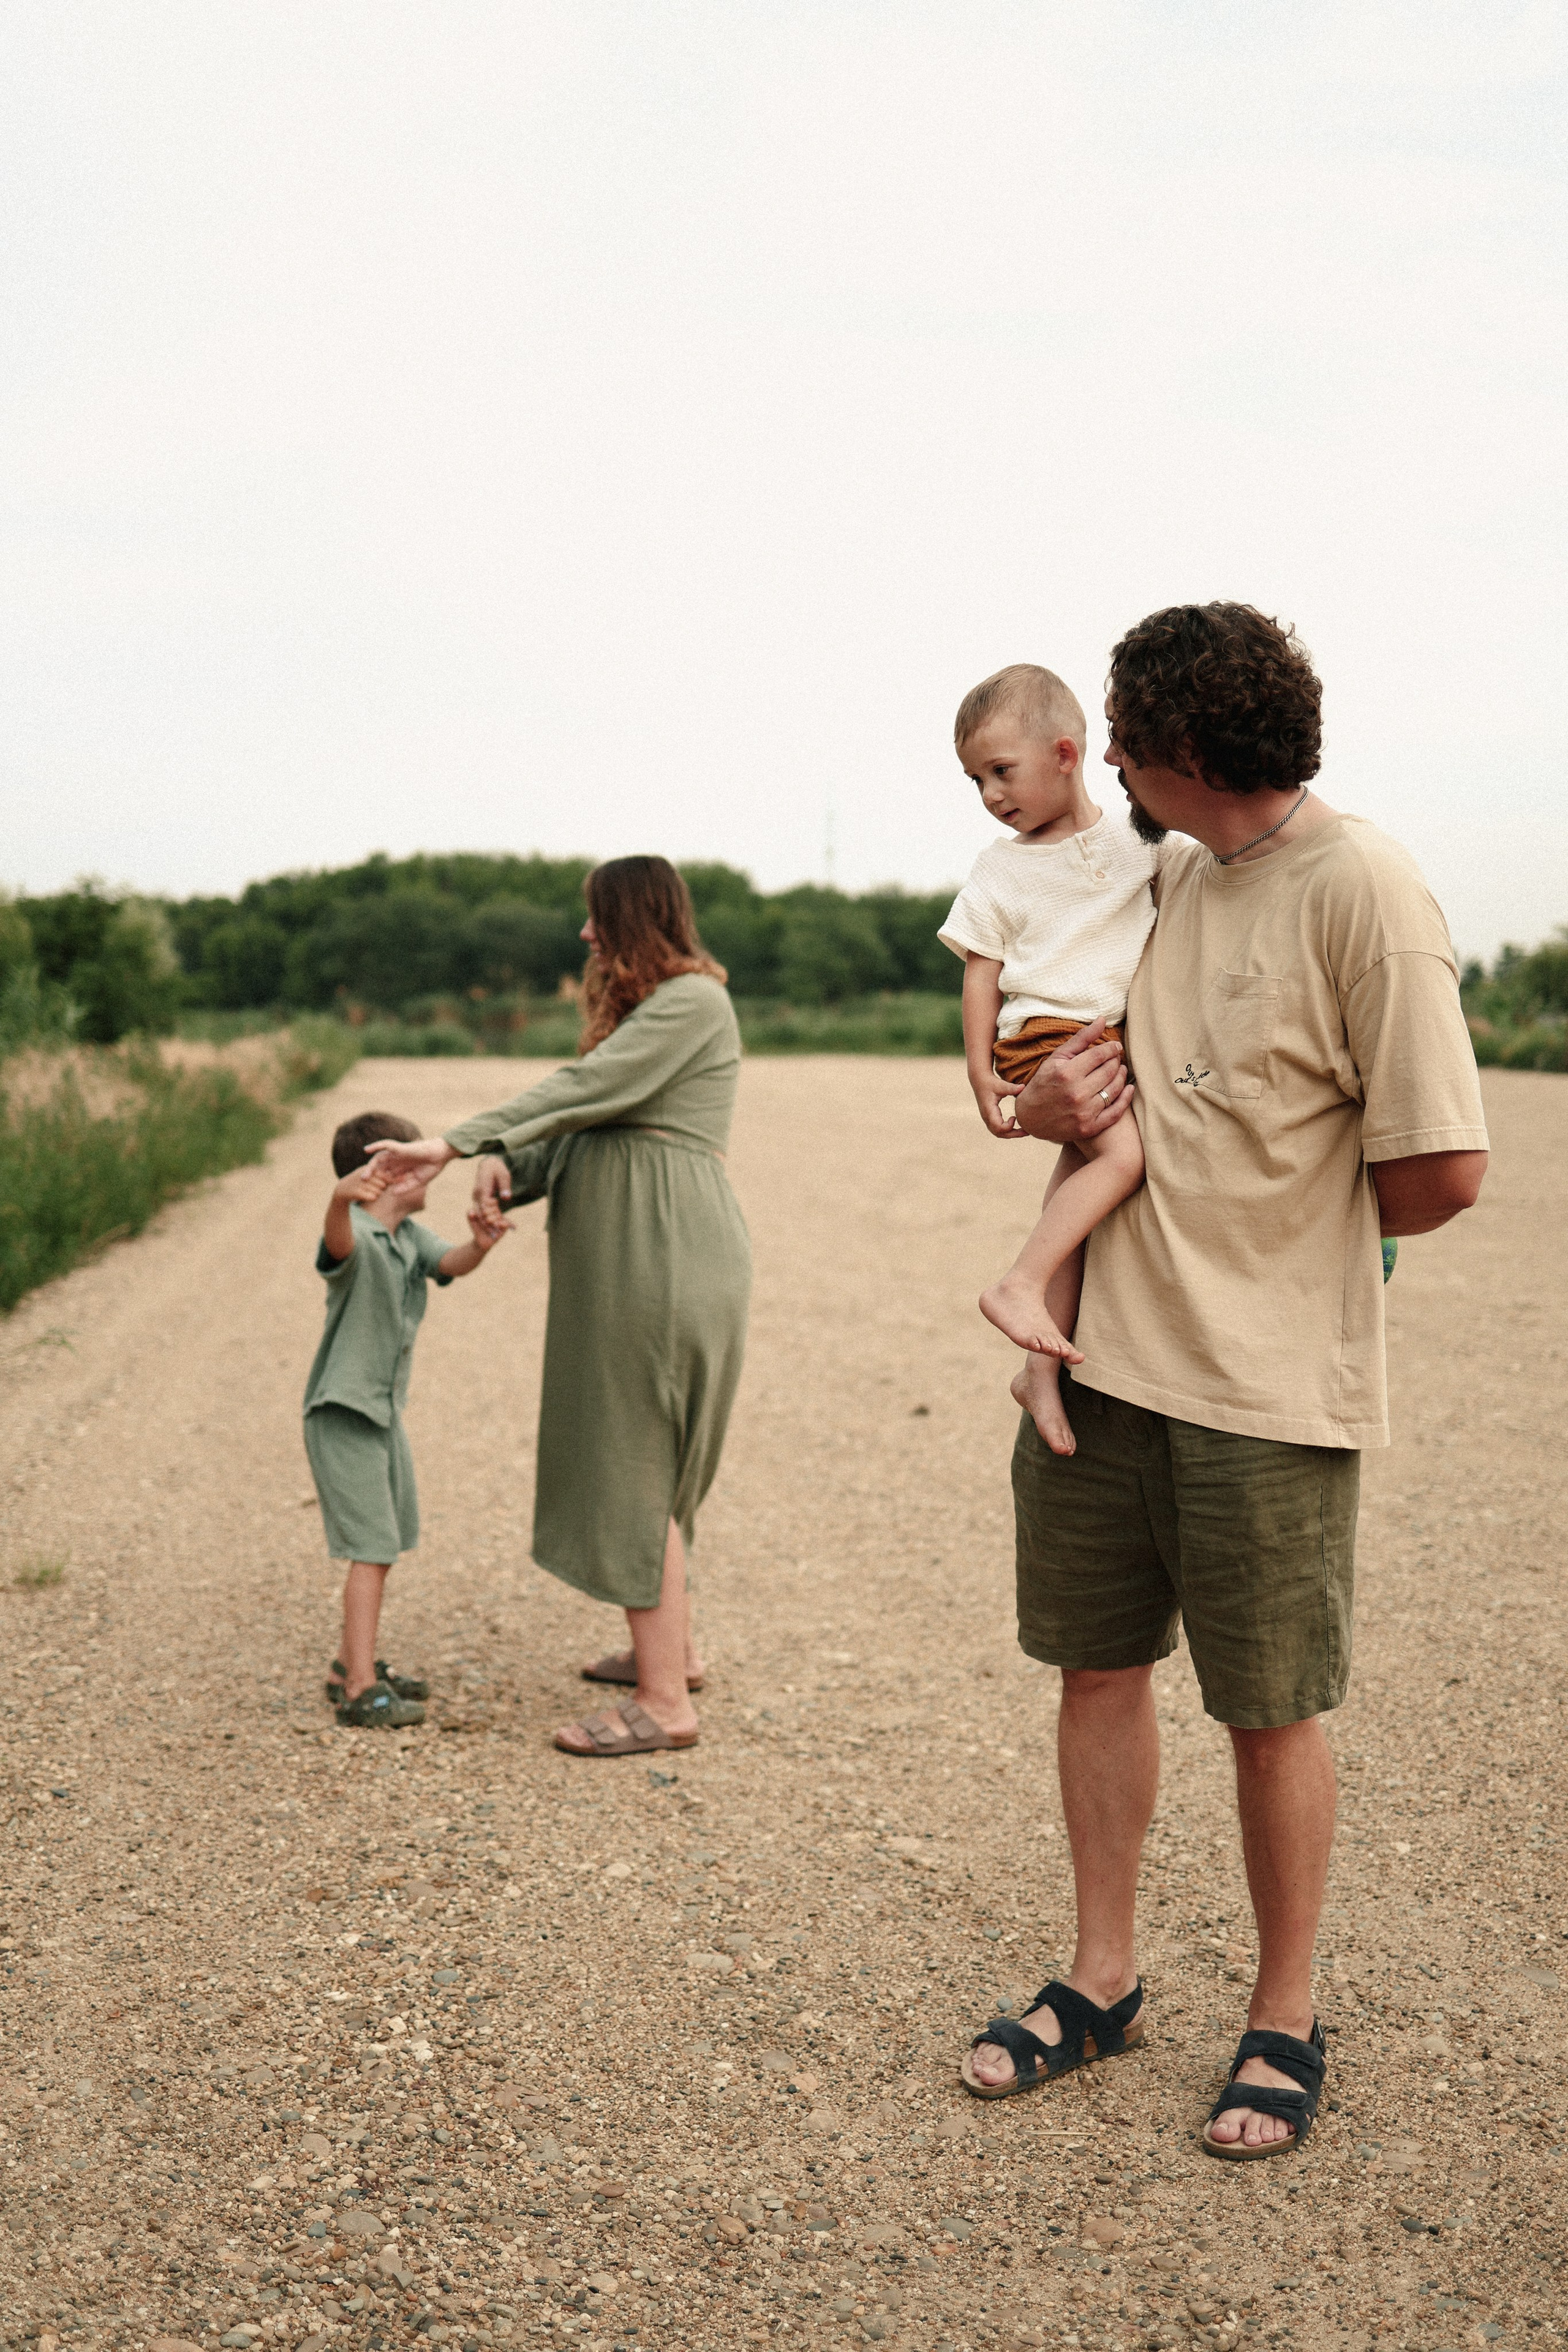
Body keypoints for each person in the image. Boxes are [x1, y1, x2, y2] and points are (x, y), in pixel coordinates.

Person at [959, 603, 1488, 2160]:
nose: (1104, 759)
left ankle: (1281, 2012)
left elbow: (1442, 1167)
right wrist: (1026, 1098)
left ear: (1184, 750)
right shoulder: (1160, 878)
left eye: (1121, 736)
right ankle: (1101, 1977)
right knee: (1094, 1667)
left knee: (1267, 1710)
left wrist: (1277, 1242)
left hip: (1262, 1390)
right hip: (1095, 1366)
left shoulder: (1364, 894)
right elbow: (1047, 1070)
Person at [364, 855, 751, 1758]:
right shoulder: (649, 1021)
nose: (584, 936)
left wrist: (459, 1143)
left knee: (635, 1456)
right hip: (640, 1255)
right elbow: (581, 1128)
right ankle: (672, 1654)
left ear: (637, 919)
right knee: (643, 1449)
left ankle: (664, 1704)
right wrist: (508, 1167)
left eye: (596, 918)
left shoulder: (696, 1005)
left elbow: (580, 1096)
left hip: (660, 1254)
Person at [940, 663, 1162, 1455]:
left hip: (1102, 1038)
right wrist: (980, 1070)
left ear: (1067, 754)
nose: (991, 796)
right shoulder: (1002, 866)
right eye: (977, 781)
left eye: (1002, 772)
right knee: (1123, 1160)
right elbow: (980, 969)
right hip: (1049, 1038)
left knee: (1079, 1182)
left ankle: (1039, 1366)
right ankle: (1019, 1283)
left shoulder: (1138, 840)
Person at [305, 1111, 510, 1729]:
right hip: (342, 1413)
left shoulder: (408, 1235)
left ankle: (350, 1665)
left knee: (387, 1542)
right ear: (384, 1172)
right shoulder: (359, 1235)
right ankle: (360, 1690)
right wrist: (341, 1198)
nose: (430, 1169)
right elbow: (336, 1242)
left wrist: (480, 1245)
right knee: (370, 1549)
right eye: (412, 1160)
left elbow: (449, 1264)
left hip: (382, 1413)